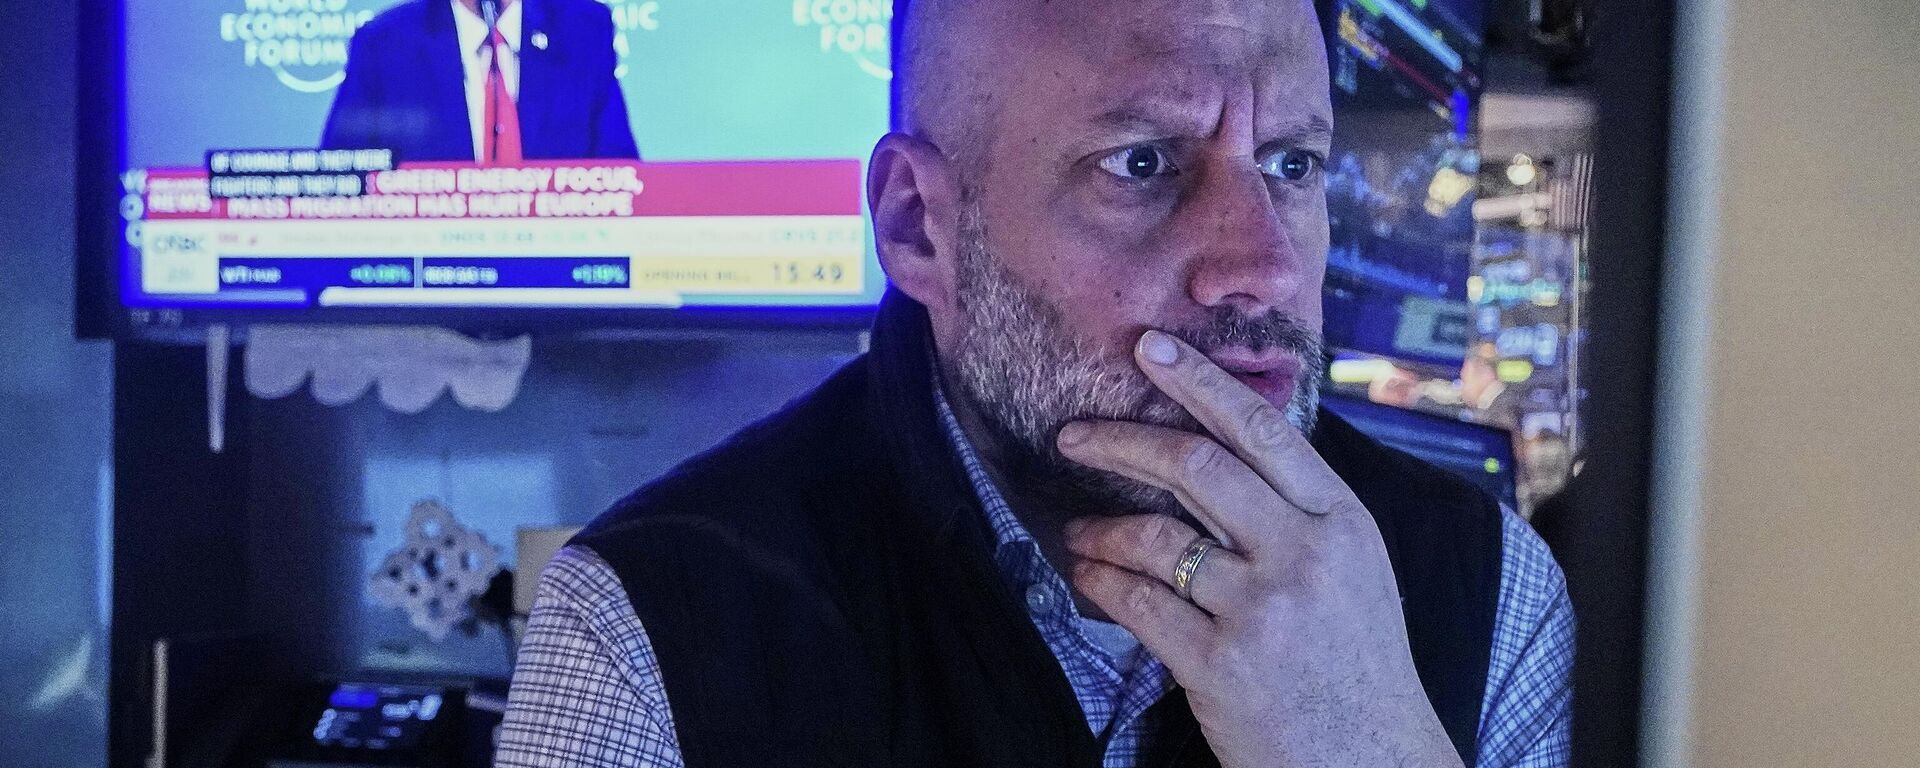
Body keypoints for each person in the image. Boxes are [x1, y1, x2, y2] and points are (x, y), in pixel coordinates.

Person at [496, 0, 1573, 765]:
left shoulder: (1488, 587)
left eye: (1291, 164)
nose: (1266, 264)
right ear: (918, 225)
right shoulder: (654, 624)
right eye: (1142, 163)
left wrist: (1361, 747)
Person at [321, 0, 638, 163]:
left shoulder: (583, 30)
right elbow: (345, 175)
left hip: (559, 268)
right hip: (432, 273)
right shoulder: (385, 44)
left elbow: (619, 173)